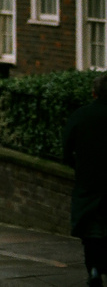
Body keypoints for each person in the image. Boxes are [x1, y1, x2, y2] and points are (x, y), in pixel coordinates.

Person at [64, 71, 107, 287]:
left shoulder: (80, 116)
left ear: (94, 93)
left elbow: (66, 151)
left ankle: (94, 269)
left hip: (88, 183)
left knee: (91, 232)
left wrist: (79, 166)